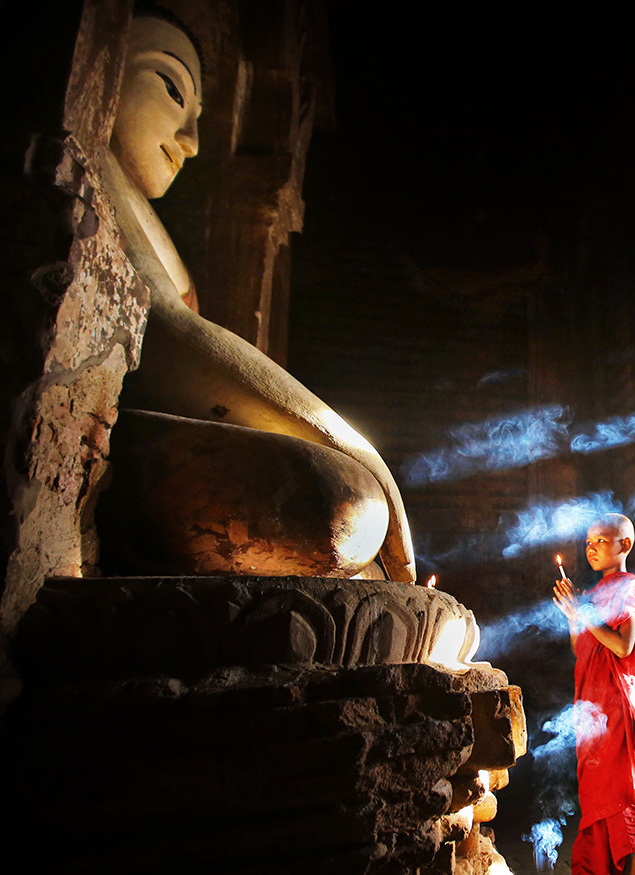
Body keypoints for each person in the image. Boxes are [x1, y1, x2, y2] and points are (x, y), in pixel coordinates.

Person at [94, 10, 415, 580]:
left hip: (175, 438)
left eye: (199, 117)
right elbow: (165, 334)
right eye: (171, 89)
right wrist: (367, 458)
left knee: (354, 525)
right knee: (344, 505)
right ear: (107, 66)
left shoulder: (143, 213)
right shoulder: (92, 172)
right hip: (111, 439)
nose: (190, 143)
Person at [551, 514, 635, 875]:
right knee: (606, 785)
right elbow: (582, 649)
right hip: (596, 705)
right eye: (588, 542)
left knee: (628, 784)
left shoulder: (630, 587)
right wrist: (574, 614)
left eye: (602, 540)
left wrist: (584, 614)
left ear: (625, 545)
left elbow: (623, 646)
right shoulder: (596, 592)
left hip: (622, 703)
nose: (592, 547)